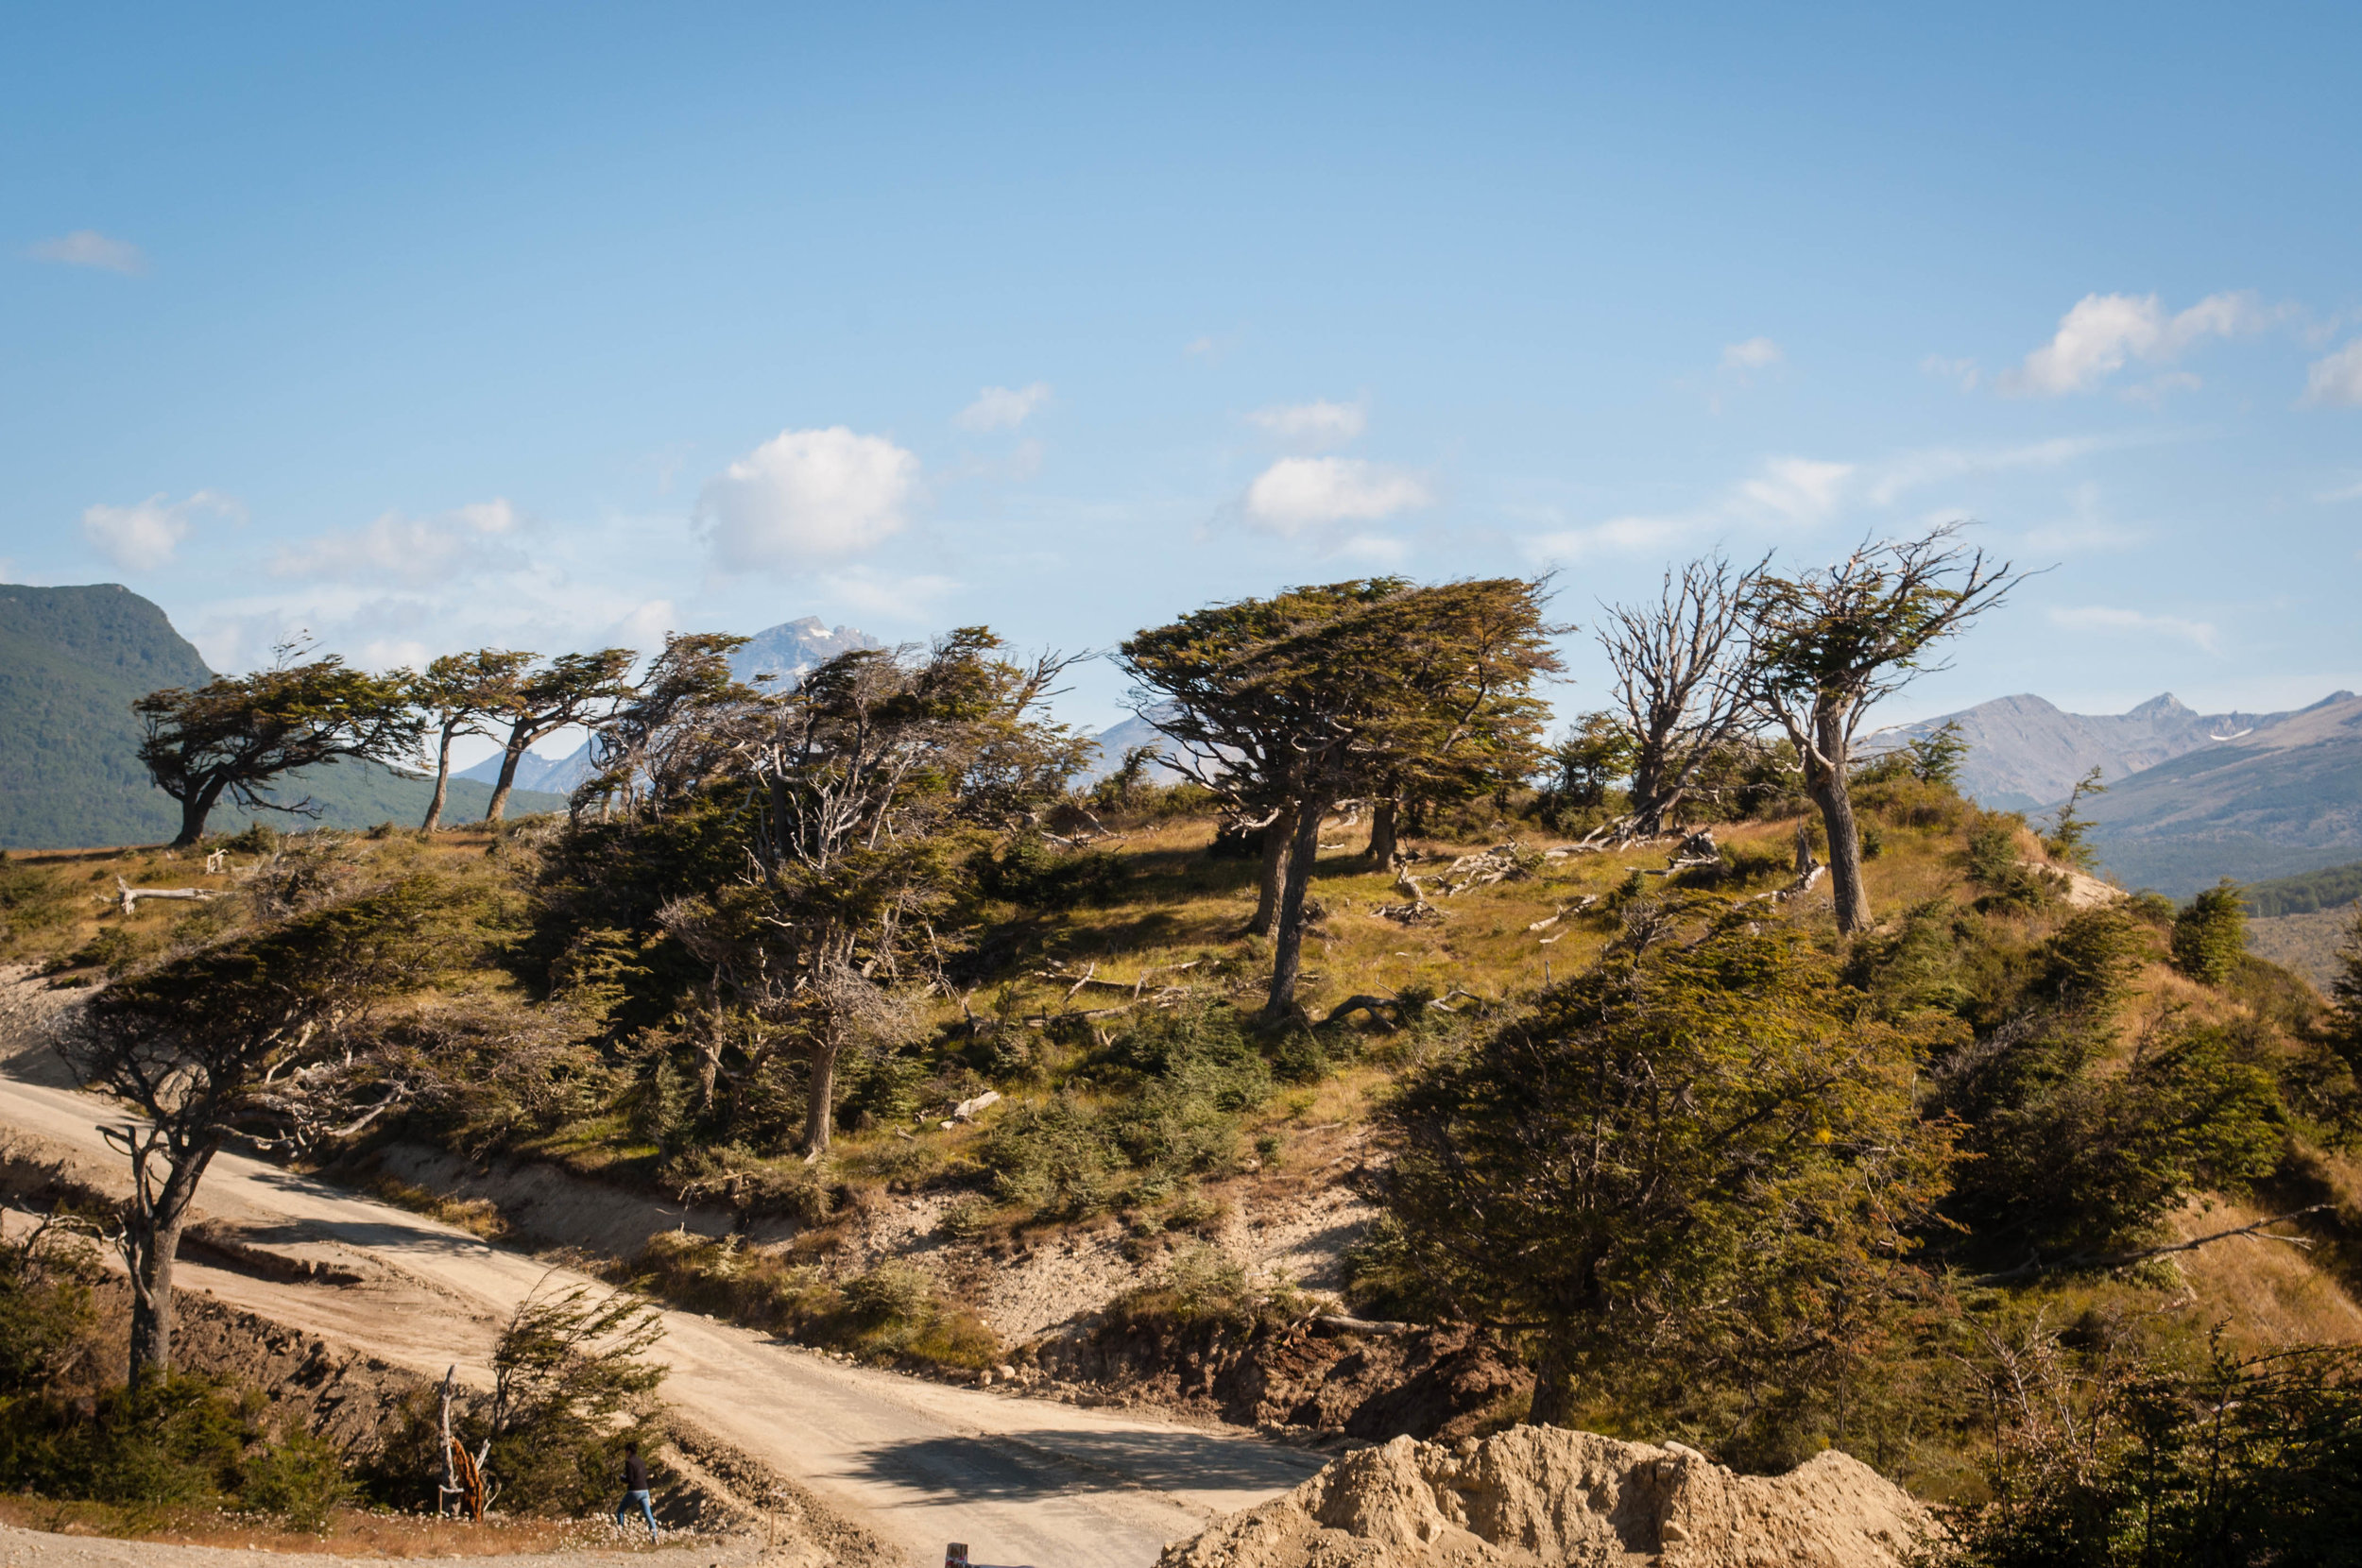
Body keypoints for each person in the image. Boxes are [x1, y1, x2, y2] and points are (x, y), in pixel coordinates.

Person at [615, 1440, 658, 1541]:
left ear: (628, 1451)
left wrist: (621, 1478)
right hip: (645, 1490)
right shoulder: (641, 1461)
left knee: (620, 1511)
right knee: (648, 1514)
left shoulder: (629, 1462)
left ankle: (620, 1534)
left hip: (634, 1491)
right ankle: (655, 1536)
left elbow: (630, 1479)